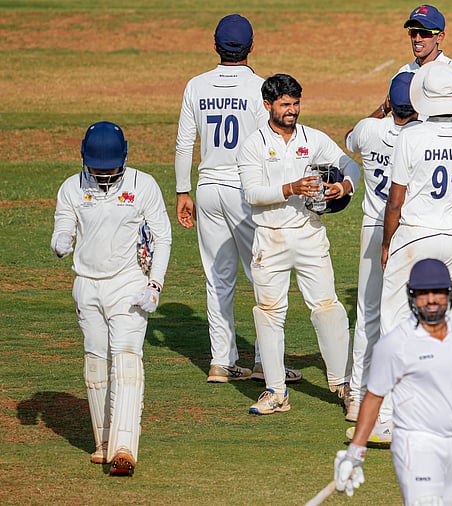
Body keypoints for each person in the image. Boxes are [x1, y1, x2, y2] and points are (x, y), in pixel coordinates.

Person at [359, 61, 452, 441]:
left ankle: (386, 418)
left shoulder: (411, 137)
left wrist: (386, 243)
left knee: (393, 327)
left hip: (414, 236)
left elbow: (394, 202)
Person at [174, 14, 291, 384]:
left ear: (215, 45)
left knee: (217, 278)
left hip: (207, 189)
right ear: (251, 46)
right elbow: (267, 144)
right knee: (263, 275)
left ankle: (221, 362)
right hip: (245, 190)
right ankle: (264, 363)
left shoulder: (196, 85)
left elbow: (183, 143)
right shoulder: (260, 89)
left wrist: (182, 191)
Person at [334, 259, 452, 504]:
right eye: (423, 293)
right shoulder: (394, 345)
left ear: (449, 294)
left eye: (437, 292)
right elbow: (374, 398)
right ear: (411, 296)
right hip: (414, 444)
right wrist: (354, 453)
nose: (431, 299)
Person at [52, 121, 172, 475]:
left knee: (126, 359)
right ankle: (104, 441)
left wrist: (155, 285)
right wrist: (61, 240)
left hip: (128, 284)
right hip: (87, 284)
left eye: (110, 169)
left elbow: (162, 238)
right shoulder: (72, 187)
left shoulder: (143, 185)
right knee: (95, 362)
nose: (104, 176)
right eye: (97, 169)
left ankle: (124, 447)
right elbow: (63, 224)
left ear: (124, 158)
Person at [237, 73, 360, 415]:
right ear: (267, 105)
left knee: (327, 309)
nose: (291, 111)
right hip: (270, 237)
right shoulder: (253, 145)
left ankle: (345, 386)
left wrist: (345, 187)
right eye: (284, 105)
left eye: (295, 104)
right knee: (269, 314)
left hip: (309, 233)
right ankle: (275, 392)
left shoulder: (313, 138)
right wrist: (291, 188)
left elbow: (350, 164)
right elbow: (251, 194)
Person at [343, 72, 420, 422]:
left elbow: (349, 141)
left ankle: (358, 397)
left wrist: (378, 109)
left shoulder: (369, 129)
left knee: (367, 314)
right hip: (408, 231)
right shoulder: (420, 138)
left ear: (390, 101)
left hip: (373, 227)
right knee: (408, 314)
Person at [369, 4, 452, 127]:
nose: (417, 39)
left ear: (440, 37)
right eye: (413, 32)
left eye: (424, 33)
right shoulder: (403, 73)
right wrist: (385, 108)